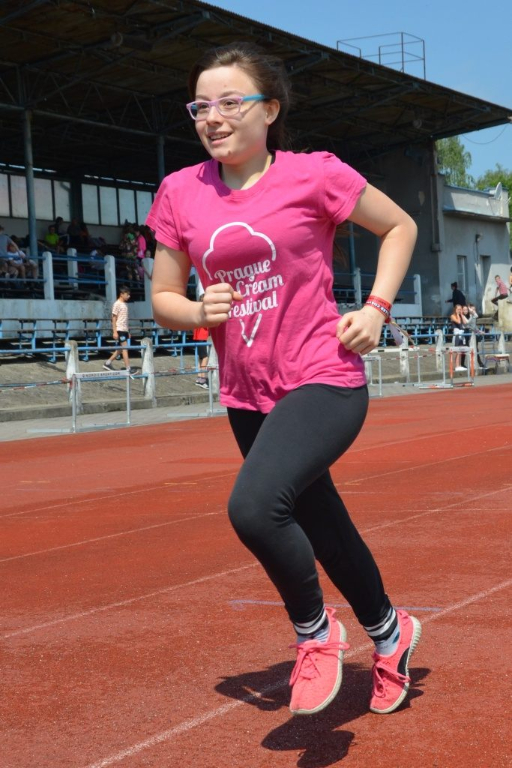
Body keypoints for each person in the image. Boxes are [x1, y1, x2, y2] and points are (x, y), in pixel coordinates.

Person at [148, 42, 420, 718]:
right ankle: (391, 634)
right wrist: (196, 312)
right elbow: (163, 297)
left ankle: (315, 633)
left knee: (254, 507)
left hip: (323, 375)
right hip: (248, 393)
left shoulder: (314, 174)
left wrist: (376, 309)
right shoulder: (180, 191)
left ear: (269, 110)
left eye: (229, 102)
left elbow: (399, 226)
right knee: (323, 527)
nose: (212, 117)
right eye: (199, 107)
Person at [103, 286, 132, 372]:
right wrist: (115, 332)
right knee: (125, 348)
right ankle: (128, 368)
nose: (129, 296)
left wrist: (127, 331)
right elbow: (114, 318)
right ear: (122, 294)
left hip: (124, 329)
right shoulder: (117, 304)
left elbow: (125, 319)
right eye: (127, 294)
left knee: (120, 349)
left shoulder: (125, 305)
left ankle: (107, 363)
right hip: (119, 329)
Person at [193, 274, 210, 389]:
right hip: (202, 336)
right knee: (205, 357)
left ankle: (199, 378)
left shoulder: (197, 308)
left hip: (198, 336)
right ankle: (203, 378)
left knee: (200, 357)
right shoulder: (204, 309)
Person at [450, 304, 468, 371]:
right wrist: (458, 314)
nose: (460, 310)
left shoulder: (461, 316)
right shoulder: (452, 316)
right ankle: (457, 366)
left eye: (460, 309)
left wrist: (462, 315)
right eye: (458, 309)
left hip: (461, 334)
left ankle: (460, 365)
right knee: (457, 350)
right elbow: (458, 322)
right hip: (457, 334)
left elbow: (465, 323)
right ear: (455, 309)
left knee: (460, 350)